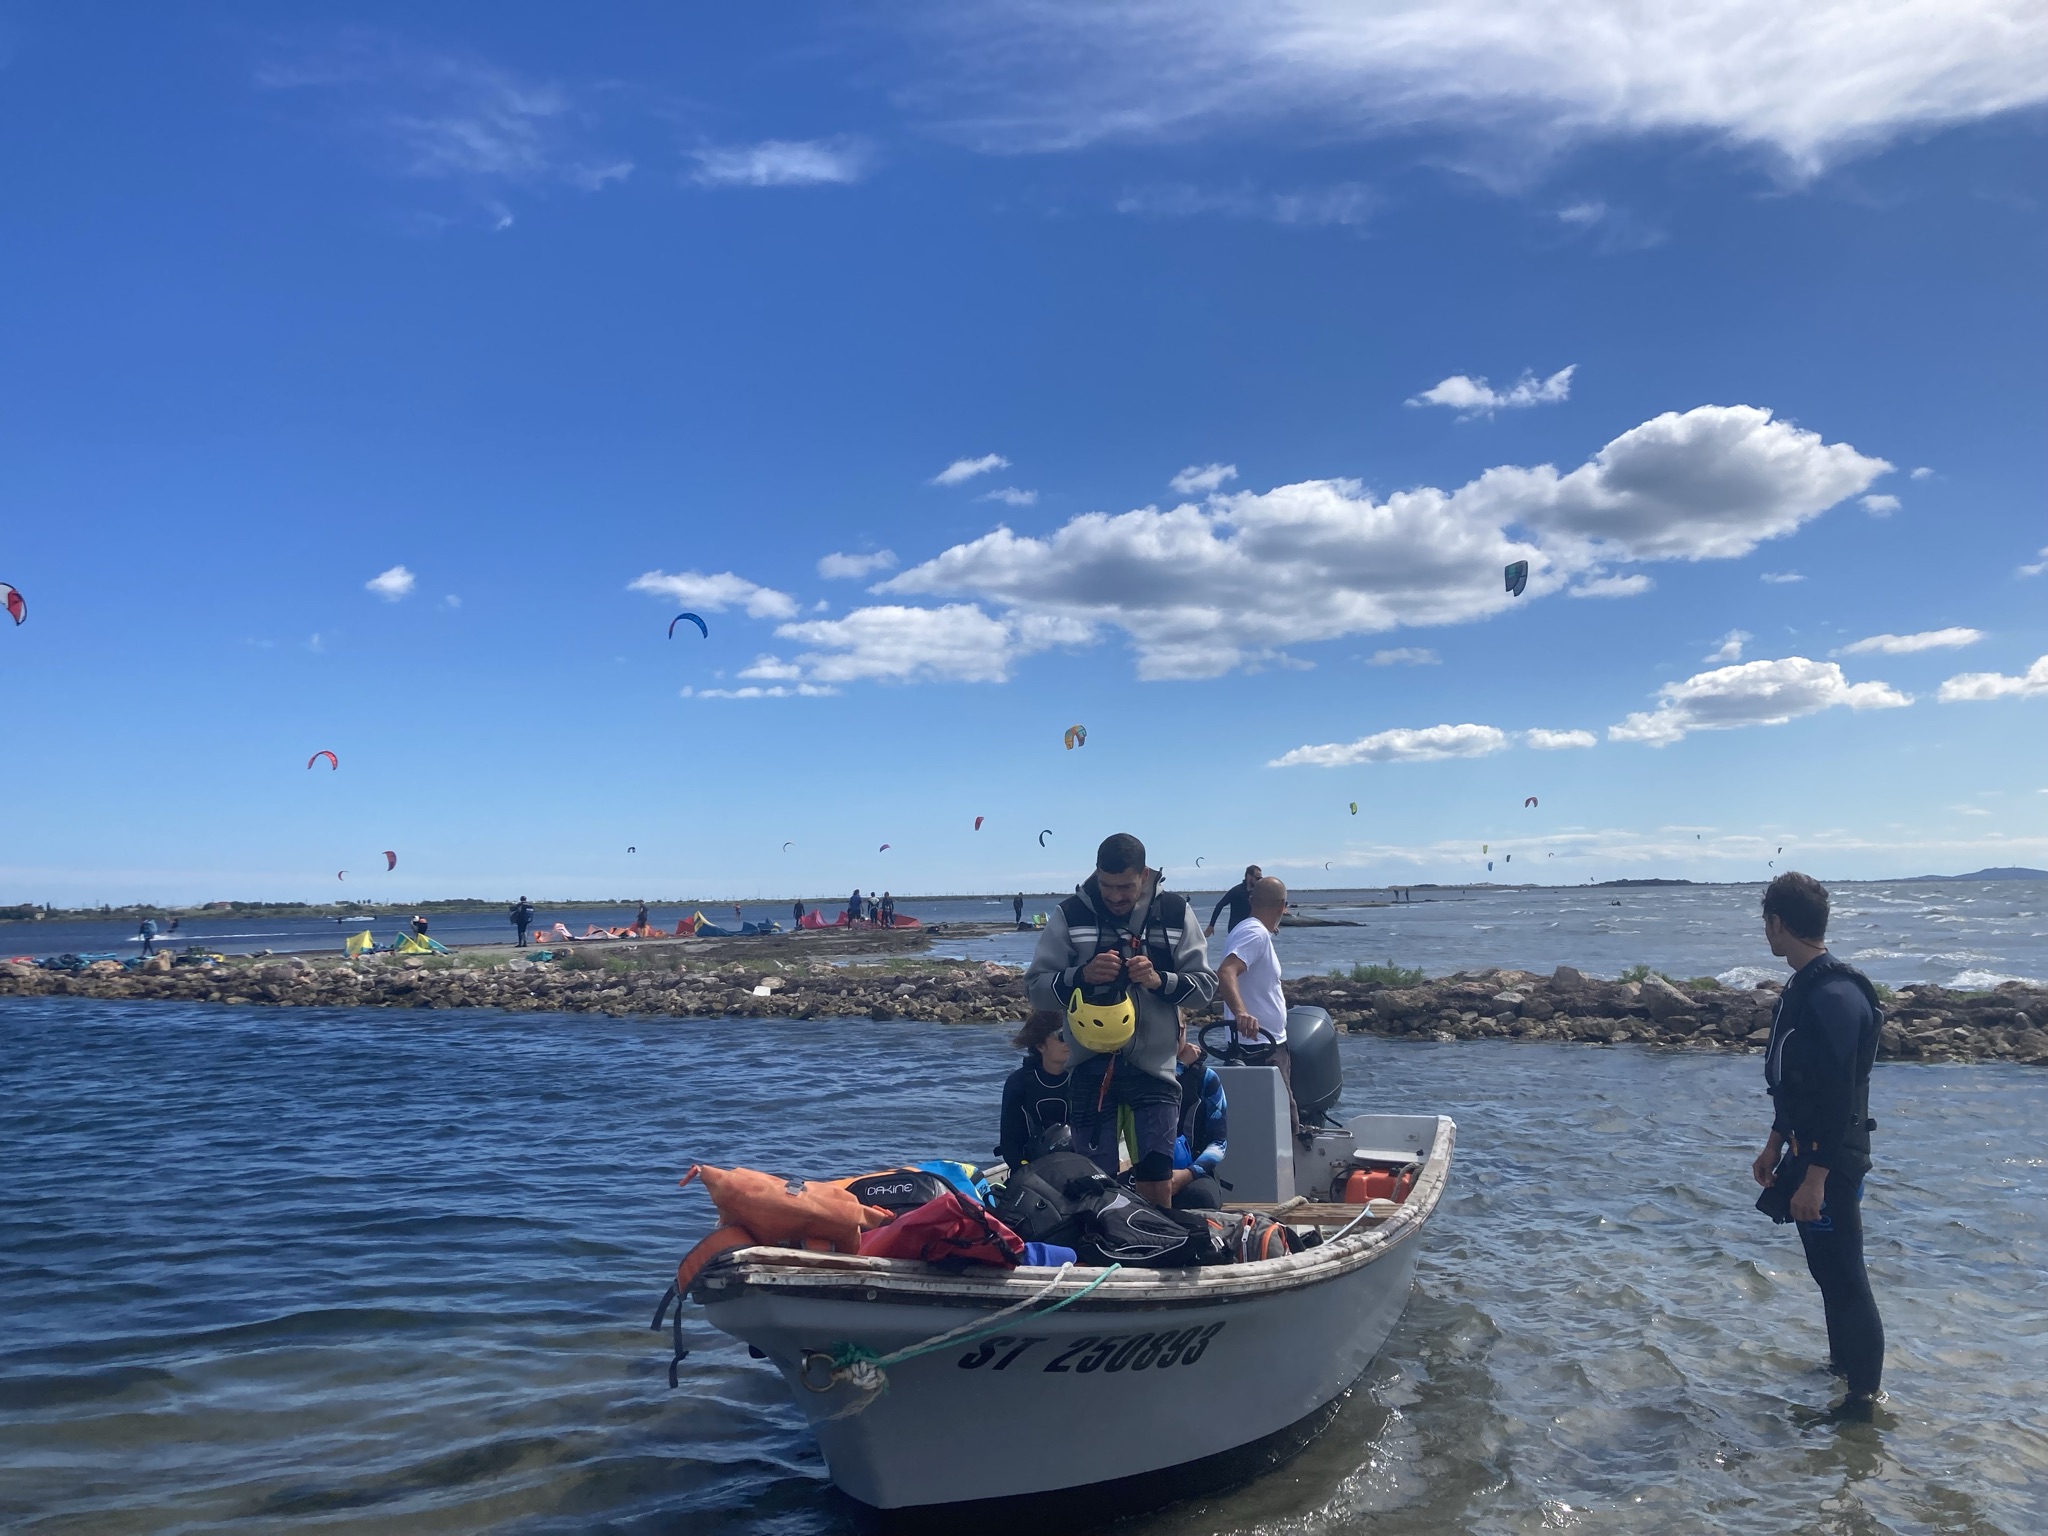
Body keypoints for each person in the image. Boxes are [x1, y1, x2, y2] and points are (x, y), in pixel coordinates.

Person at [1751, 871, 1886, 1413]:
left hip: (1831, 1161)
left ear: (1778, 922)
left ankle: (1863, 1400)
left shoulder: (1833, 994)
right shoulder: (1805, 986)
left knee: (1847, 1276)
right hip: (1806, 1152)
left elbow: (1837, 1098)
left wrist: (1815, 1177)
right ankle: (1841, 1369)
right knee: (1827, 1272)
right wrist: (1774, 1143)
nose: (1766, 932)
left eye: (1766, 922)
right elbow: (1798, 1084)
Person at [1027, 833, 1216, 1208]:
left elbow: (1205, 989)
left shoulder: (1176, 913)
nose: (1115, 896)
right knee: (1093, 1182)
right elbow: (1035, 989)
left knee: (1156, 1179)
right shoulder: (1070, 914)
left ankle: (1154, 1249)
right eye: (1107, 885)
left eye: (1125, 886)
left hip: (1155, 1068)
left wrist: (1160, 980)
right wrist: (1080, 976)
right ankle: (1099, 1252)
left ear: (1144, 875)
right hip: (1088, 1067)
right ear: (1096, 874)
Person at [1215, 877, 1300, 1140]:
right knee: (1283, 1128)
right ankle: (1285, 1178)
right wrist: (1241, 1013)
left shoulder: (1245, 929)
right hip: (1262, 1048)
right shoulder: (1256, 933)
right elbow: (1226, 972)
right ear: (1283, 906)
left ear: (1252, 901)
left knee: (1257, 1127)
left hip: (1255, 1044)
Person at [995, 1012, 1073, 1168]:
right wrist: (1024, 1168)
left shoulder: (1084, 1078)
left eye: (1074, 1034)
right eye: (1062, 1036)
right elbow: (1010, 1141)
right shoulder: (1019, 1082)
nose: (1070, 1041)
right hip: (1034, 1166)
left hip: (1078, 1162)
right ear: (1040, 1045)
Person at [1169, 1019, 1228, 1209]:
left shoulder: (1206, 1078)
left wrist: (1187, 1175)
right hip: (1148, 1170)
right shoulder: (1140, 1076)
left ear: (1183, 1029)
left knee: (1200, 1198)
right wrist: (1178, 1066)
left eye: (1176, 1029)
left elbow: (1219, 1143)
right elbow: (1158, 1093)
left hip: (1192, 1172)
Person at [1205, 865, 1262, 938]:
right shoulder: (1237, 891)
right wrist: (1211, 926)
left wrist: (1269, 924)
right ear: (1249, 877)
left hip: (1250, 930)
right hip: (1236, 931)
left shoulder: (1257, 892)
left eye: (1261, 879)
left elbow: (1262, 909)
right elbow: (1219, 905)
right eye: (1257, 878)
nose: (1260, 881)